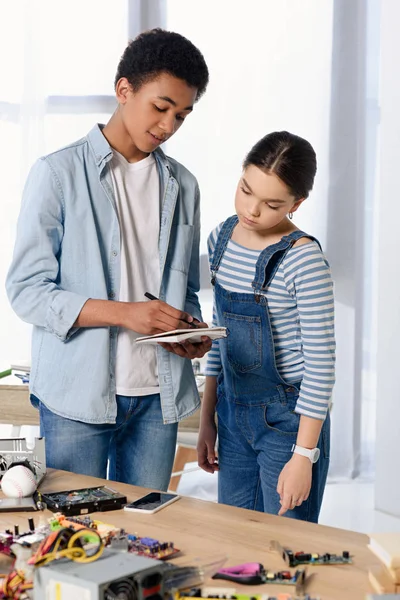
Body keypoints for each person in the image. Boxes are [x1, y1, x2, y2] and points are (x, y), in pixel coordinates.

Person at [6, 28, 212, 491]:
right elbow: (27, 291)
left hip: (158, 397)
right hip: (77, 397)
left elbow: (187, 288)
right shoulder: (57, 174)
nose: (168, 126)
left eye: (182, 115)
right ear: (124, 90)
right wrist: (127, 315)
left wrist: (189, 329)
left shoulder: (186, 186)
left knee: (145, 540)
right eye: (160, 108)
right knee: (74, 540)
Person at [197, 131, 335, 522]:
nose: (252, 210)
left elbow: (321, 367)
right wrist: (208, 421)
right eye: (245, 190)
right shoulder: (220, 239)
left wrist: (304, 457)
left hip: (288, 426)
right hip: (232, 415)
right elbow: (219, 333)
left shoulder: (303, 261)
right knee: (237, 541)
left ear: (297, 203)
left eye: (272, 204)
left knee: (284, 550)